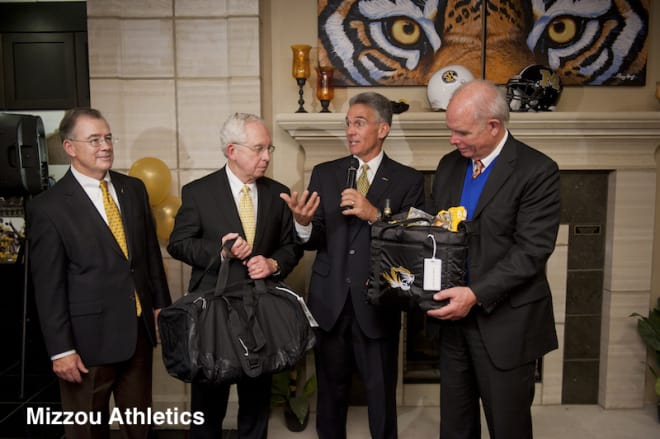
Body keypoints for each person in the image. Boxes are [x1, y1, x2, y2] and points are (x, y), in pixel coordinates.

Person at [281, 92, 425, 439]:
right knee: (331, 394)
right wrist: (302, 223)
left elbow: (415, 241)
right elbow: (315, 237)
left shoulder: (409, 180)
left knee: (380, 395)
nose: (350, 131)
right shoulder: (326, 174)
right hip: (330, 302)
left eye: (359, 123)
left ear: (383, 129)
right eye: (348, 123)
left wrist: (374, 215)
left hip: (377, 302)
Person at [27, 108, 172, 439]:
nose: (105, 145)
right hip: (85, 345)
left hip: (137, 334)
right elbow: (48, 287)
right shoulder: (48, 208)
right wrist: (61, 350)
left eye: (107, 137)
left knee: (141, 429)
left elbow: (149, 255)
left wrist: (161, 306)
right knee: (87, 433)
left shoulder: (133, 189)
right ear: (69, 147)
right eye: (94, 140)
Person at [427, 80, 560, 439]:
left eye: (461, 131)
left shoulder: (538, 171)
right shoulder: (449, 165)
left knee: (508, 427)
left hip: (506, 323)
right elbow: (433, 232)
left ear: (493, 126)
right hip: (454, 322)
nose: (452, 139)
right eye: (450, 130)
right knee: (455, 427)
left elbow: (531, 252)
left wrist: (475, 294)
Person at [167, 112, 302, 439]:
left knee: (256, 404)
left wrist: (273, 264)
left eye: (269, 148)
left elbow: (291, 247)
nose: (267, 157)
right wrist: (221, 251)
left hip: (261, 313)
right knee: (207, 405)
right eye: (259, 149)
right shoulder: (198, 192)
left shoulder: (278, 193)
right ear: (232, 151)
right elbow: (178, 244)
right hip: (212, 314)